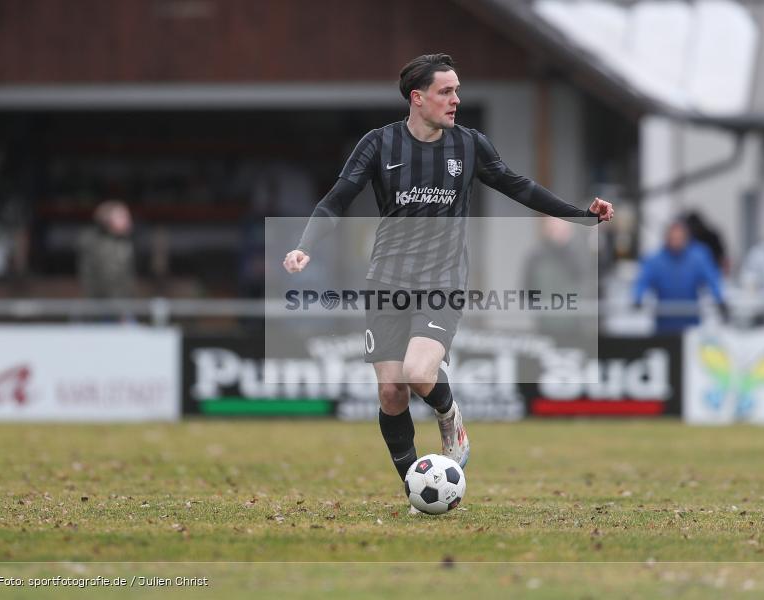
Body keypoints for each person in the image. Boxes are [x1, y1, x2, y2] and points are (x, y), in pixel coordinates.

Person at [283, 54, 613, 488]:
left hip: (443, 278)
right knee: (390, 390)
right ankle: (417, 488)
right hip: (386, 279)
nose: (456, 99)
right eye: (446, 91)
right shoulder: (379, 144)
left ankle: (449, 416)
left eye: (457, 90)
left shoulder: (470, 144)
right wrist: (305, 246)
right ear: (418, 99)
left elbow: (519, 186)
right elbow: (336, 199)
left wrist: (580, 215)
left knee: (419, 373)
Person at [633, 220, 726, 334]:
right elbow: (642, 281)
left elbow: (712, 279)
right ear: (666, 238)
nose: (676, 242)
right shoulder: (655, 260)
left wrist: (720, 299)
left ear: (686, 238)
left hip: (691, 321)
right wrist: (637, 298)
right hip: (664, 323)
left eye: (679, 238)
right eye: (673, 238)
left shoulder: (698, 257)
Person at [78, 200, 136, 300]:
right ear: (106, 220)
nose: (127, 220)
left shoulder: (125, 242)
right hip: (104, 306)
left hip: (122, 304)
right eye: (121, 217)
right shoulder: (96, 245)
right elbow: (99, 281)